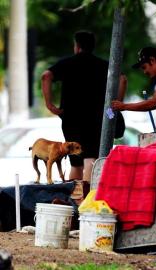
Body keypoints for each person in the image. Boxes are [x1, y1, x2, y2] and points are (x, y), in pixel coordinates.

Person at [41, 30, 127, 182]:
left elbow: (46, 76)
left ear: (77, 46)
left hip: (71, 118)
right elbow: (122, 79)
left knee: (76, 162)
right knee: (92, 158)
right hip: (97, 118)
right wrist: (116, 105)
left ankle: (76, 200)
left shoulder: (67, 63)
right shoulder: (103, 65)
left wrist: (50, 104)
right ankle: (89, 198)